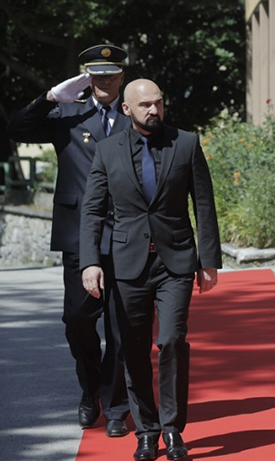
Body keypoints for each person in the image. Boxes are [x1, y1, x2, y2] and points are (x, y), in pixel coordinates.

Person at [80, 79, 222, 461]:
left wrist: (208, 261)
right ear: (127, 109)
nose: (153, 111)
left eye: (158, 103)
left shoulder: (186, 143)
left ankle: (174, 430)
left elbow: (204, 205)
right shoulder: (108, 151)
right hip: (128, 265)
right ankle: (147, 430)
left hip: (174, 260)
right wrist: (91, 261)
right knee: (133, 347)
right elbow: (92, 209)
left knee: (173, 341)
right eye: (144, 105)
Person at [6, 44, 131, 437]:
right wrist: (47, 98)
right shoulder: (68, 114)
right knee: (78, 320)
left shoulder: (135, 115)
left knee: (122, 326)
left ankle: (115, 406)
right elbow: (16, 129)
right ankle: (89, 389)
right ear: (87, 78)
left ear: (122, 76)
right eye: (97, 75)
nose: (105, 81)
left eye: (111, 74)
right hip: (81, 234)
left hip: (127, 232)